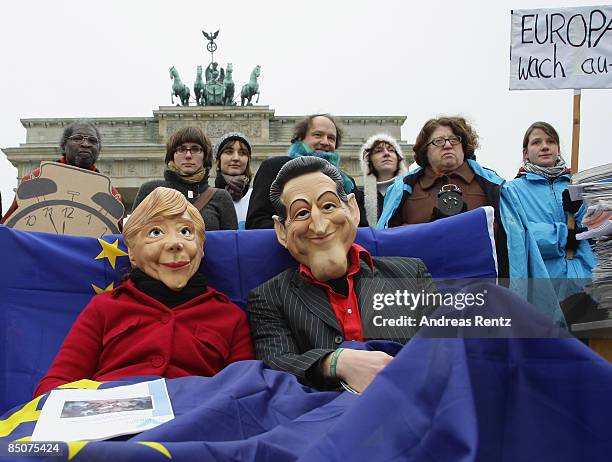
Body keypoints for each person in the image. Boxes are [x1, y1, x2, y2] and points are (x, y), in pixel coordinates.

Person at [34, 187, 254, 397]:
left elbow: (246, 393)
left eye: (185, 231)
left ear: (201, 247)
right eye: (156, 232)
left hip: (198, 426)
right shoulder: (104, 308)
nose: (174, 243)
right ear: (131, 252)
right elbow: (55, 386)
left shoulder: (230, 316)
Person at [247, 157, 436, 393]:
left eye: (328, 206)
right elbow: (275, 363)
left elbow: (444, 348)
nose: (319, 225)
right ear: (282, 231)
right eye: (302, 213)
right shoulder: (269, 297)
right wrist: (332, 362)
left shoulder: (410, 274)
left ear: (353, 210)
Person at [377, 116, 511, 278]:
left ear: (463, 146)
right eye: (438, 141)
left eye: (454, 140)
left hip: (483, 287)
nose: (447, 145)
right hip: (423, 289)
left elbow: (510, 240)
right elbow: (390, 242)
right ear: (425, 150)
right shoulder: (403, 190)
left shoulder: (493, 186)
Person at [506, 121, 596, 301]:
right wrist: (564, 235)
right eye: (536, 142)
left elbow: (599, 231)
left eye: (551, 141)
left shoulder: (578, 184)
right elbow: (518, 235)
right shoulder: (512, 191)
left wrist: (580, 213)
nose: (545, 147)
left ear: (559, 149)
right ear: (525, 153)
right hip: (545, 287)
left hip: (588, 280)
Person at [245, 114, 368, 229]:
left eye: (331, 138)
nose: (325, 142)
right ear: (300, 138)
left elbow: (359, 226)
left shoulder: (347, 182)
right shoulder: (275, 167)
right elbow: (256, 221)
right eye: (318, 135)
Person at [1, 120, 123, 229]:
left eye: (92, 141)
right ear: (64, 146)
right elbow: (10, 226)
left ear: (98, 150)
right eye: (78, 138)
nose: (85, 144)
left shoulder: (111, 194)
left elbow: (117, 239)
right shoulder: (37, 178)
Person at [132, 126, 237, 230]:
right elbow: (133, 237)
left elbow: (231, 243)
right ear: (172, 155)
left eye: (195, 149)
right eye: (181, 149)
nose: (188, 155)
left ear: (205, 156)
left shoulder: (221, 198)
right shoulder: (150, 191)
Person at [359, 133, 407, 226]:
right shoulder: (359, 200)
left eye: (391, 150)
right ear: (369, 161)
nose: (386, 153)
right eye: (378, 151)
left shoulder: (413, 191)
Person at [213, 132, 253, 229]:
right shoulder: (207, 197)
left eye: (242, 153)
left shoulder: (256, 197)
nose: (236, 158)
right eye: (229, 152)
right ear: (218, 160)